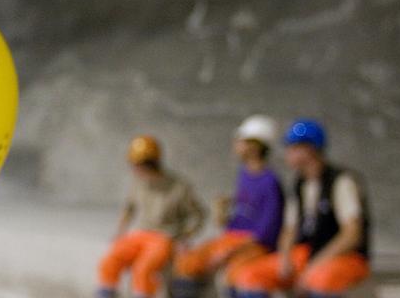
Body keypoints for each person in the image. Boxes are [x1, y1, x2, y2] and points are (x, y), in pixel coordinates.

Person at [233, 119, 371, 298]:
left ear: (309, 150)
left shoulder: (340, 182)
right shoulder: (300, 184)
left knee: (321, 280)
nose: (288, 154)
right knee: (249, 276)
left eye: (293, 148)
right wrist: (285, 257)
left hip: (342, 256)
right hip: (309, 252)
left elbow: (352, 234)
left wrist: (316, 264)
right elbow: (290, 228)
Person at [171, 115, 285, 298]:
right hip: (233, 239)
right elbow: (239, 218)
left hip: (254, 245)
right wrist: (225, 215)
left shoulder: (270, 182)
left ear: (254, 147)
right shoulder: (244, 175)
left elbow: (266, 233)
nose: (236, 145)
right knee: (187, 263)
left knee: (234, 274)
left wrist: (228, 253)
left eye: (241, 141)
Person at [98, 135, 205, 298]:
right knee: (109, 261)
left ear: (149, 163)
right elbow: (129, 207)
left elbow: (198, 215)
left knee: (144, 269)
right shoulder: (139, 182)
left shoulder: (178, 187)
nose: (134, 169)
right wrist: (120, 232)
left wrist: (184, 237)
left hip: (164, 237)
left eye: (136, 165)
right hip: (141, 233)